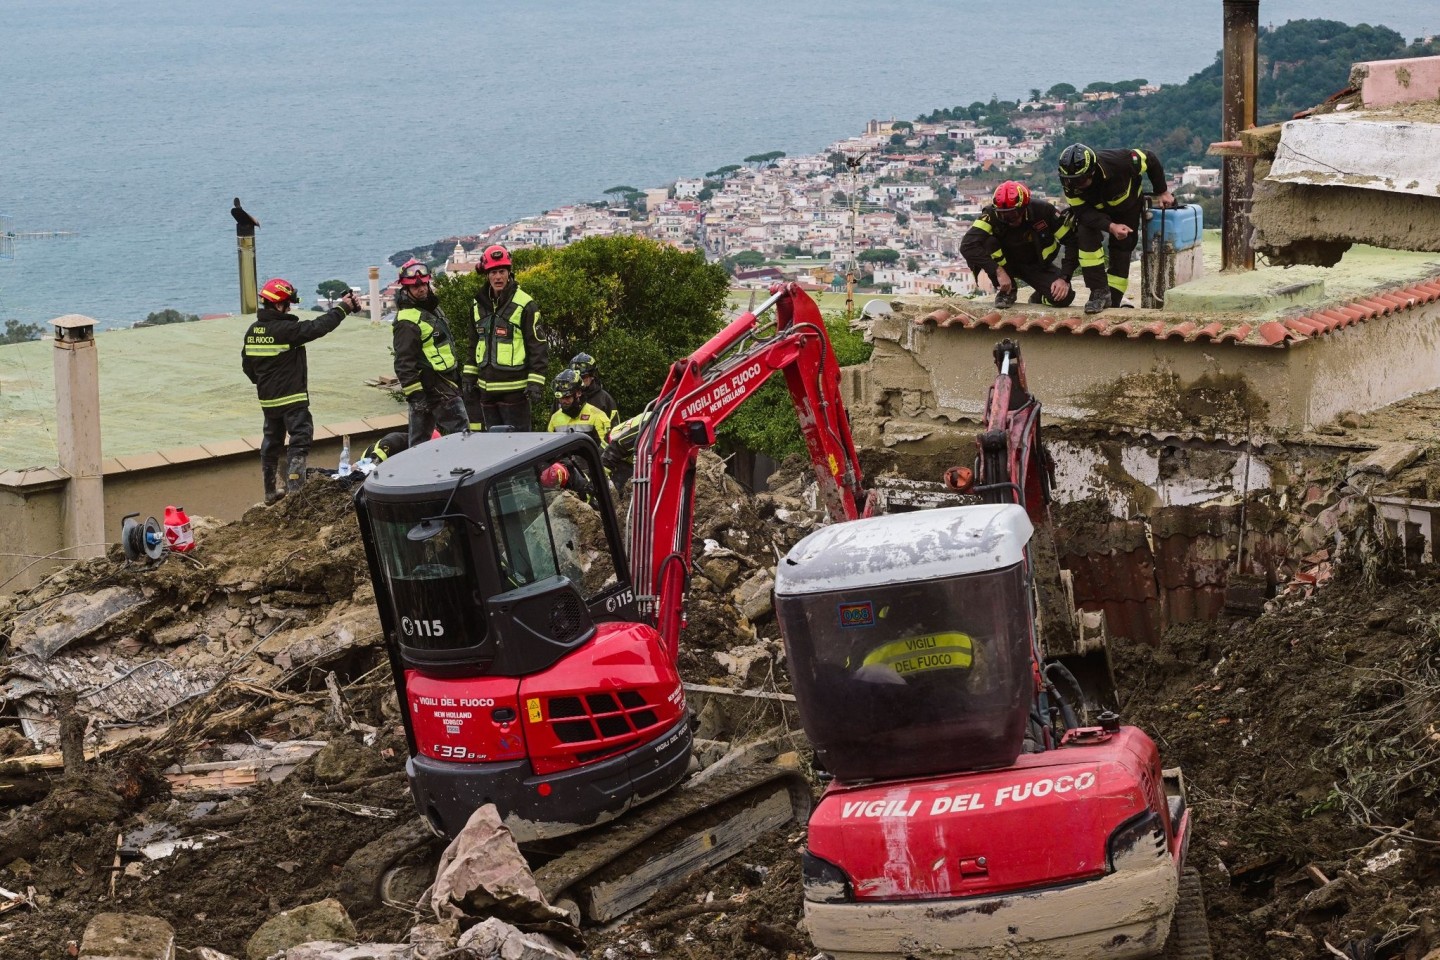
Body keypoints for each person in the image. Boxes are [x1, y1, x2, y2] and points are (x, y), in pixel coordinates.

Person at [242, 277, 361, 503]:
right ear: (278, 304)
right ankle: (295, 492)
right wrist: (344, 308)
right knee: (300, 439)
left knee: (271, 442)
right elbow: (318, 327)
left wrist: (267, 385)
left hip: (268, 401)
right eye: (288, 304)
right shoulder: (286, 330)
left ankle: (270, 492)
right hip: (292, 399)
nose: (289, 308)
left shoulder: (252, 331)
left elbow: (247, 367)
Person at [1057, 143, 1175, 315]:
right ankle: (1099, 292)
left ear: (1092, 171)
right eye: (1072, 181)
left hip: (1127, 207)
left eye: (1081, 180)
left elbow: (1150, 159)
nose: (1076, 184)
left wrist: (1162, 191)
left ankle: (1114, 297)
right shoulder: (1068, 181)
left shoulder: (1121, 161)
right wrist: (1110, 226)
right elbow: (1082, 211)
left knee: (1122, 248)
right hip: (1094, 211)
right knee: (1085, 235)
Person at [959, 181, 1077, 309]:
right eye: (1002, 215)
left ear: (1024, 208)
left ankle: (1039, 297)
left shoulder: (1043, 211)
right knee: (988, 242)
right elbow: (967, 246)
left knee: (1063, 298)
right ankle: (1008, 291)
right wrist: (998, 271)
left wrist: (1064, 278)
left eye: (1012, 214)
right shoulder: (990, 214)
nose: (1008, 219)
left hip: (1036, 264)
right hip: (1004, 265)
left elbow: (1072, 242)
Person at [467, 245, 548, 430]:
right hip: (486, 392)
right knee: (494, 448)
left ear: (509, 273)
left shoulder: (525, 304)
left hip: (515, 391)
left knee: (519, 446)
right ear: (486, 274)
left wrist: (536, 382)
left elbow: (538, 346)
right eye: (493, 272)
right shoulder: (476, 305)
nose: (498, 277)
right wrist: (468, 377)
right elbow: (473, 343)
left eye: (502, 271)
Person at [393, 259, 468, 448]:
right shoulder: (407, 321)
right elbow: (403, 363)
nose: (421, 289)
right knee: (463, 432)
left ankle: (417, 475)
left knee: (419, 442)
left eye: (424, 284)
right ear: (406, 288)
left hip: (440, 381)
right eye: (416, 286)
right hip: (435, 386)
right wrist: (416, 397)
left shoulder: (432, 309)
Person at [569, 352, 619, 421]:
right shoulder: (563, 399)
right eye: (575, 378)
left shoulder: (605, 399)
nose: (579, 381)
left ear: (592, 376)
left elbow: (615, 428)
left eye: (583, 377)